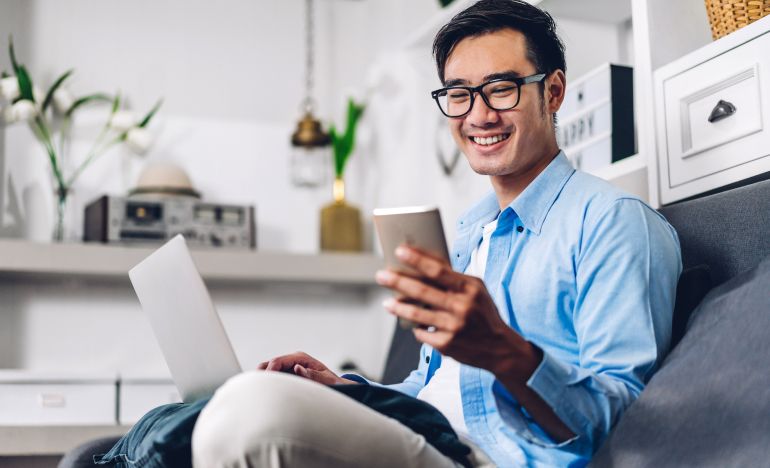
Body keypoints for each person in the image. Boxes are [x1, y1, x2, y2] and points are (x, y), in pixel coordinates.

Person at [194, 0, 681, 466]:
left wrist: (503, 351)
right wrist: (348, 391)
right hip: (431, 438)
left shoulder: (613, 220)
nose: (479, 114)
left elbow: (625, 421)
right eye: (459, 93)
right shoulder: (472, 230)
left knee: (250, 415)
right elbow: (431, 389)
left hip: (492, 459)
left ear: (552, 92)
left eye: (502, 88)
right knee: (215, 407)